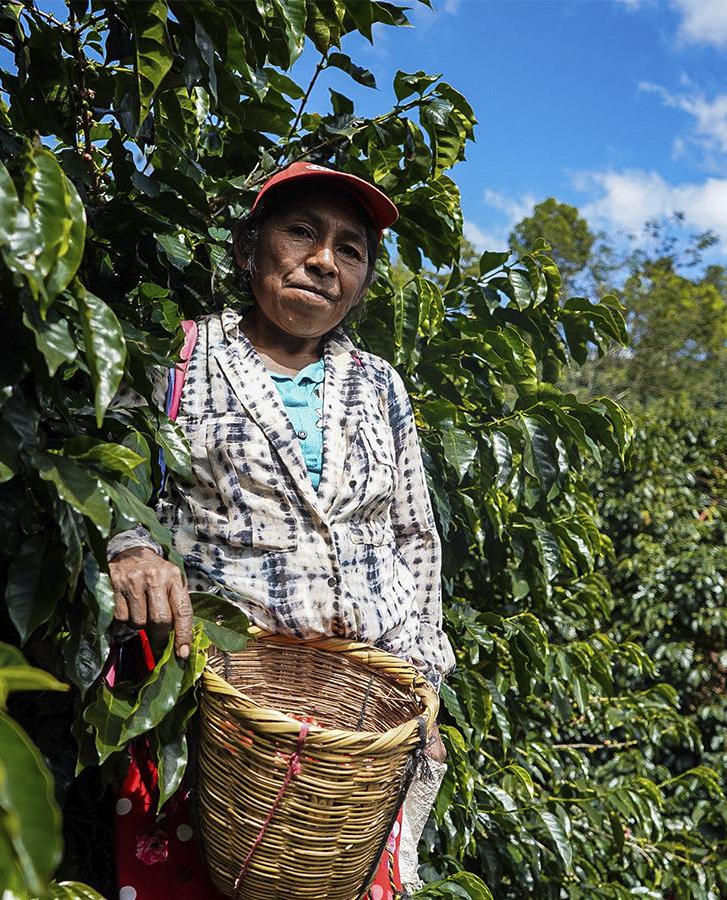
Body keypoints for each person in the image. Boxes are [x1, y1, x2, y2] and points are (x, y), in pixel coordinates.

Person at [105, 161, 454, 898]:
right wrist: (133, 546)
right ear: (247, 250)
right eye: (301, 232)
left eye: (350, 249)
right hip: (221, 708)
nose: (324, 261)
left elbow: (414, 535)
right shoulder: (184, 356)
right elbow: (115, 476)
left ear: (361, 283)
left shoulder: (379, 384)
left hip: (358, 724)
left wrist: (423, 681)